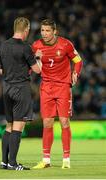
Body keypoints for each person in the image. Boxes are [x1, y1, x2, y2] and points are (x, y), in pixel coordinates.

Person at [32, 19, 83, 169]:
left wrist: (76, 73)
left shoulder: (65, 44)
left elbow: (78, 60)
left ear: (55, 32)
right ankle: (46, 160)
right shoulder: (36, 46)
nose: (44, 34)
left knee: (64, 122)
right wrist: (37, 58)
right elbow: (33, 67)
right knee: (47, 123)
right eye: (42, 30)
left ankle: (66, 159)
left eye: (48, 31)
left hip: (63, 87)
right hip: (46, 87)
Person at [0, 17, 41, 171]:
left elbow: (1, 70)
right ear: (26, 29)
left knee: (9, 126)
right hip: (20, 89)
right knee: (18, 126)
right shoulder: (25, 47)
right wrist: (38, 58)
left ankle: (4, 162)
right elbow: (37, 70)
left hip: (7, 88)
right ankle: (13, 163)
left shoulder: (3, 46)